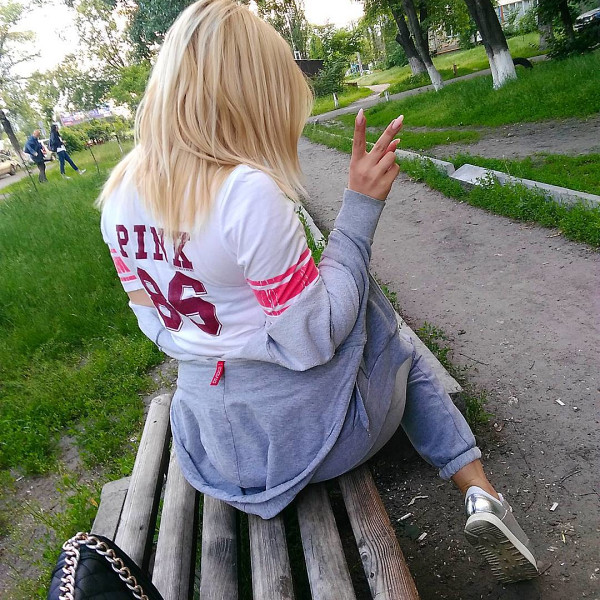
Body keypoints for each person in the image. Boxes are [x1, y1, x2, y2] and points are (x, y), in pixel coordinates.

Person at [97, 0, 538, 584]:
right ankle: (481, 493)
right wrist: (360, 209)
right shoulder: (245, 192)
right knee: (381, 323)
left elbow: (155, 325)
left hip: (215, 451)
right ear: (250, 95)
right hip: (310, 446)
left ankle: (480, 491)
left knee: (345, 301)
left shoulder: (119, 195)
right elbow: (313, 340)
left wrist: (234, 345)